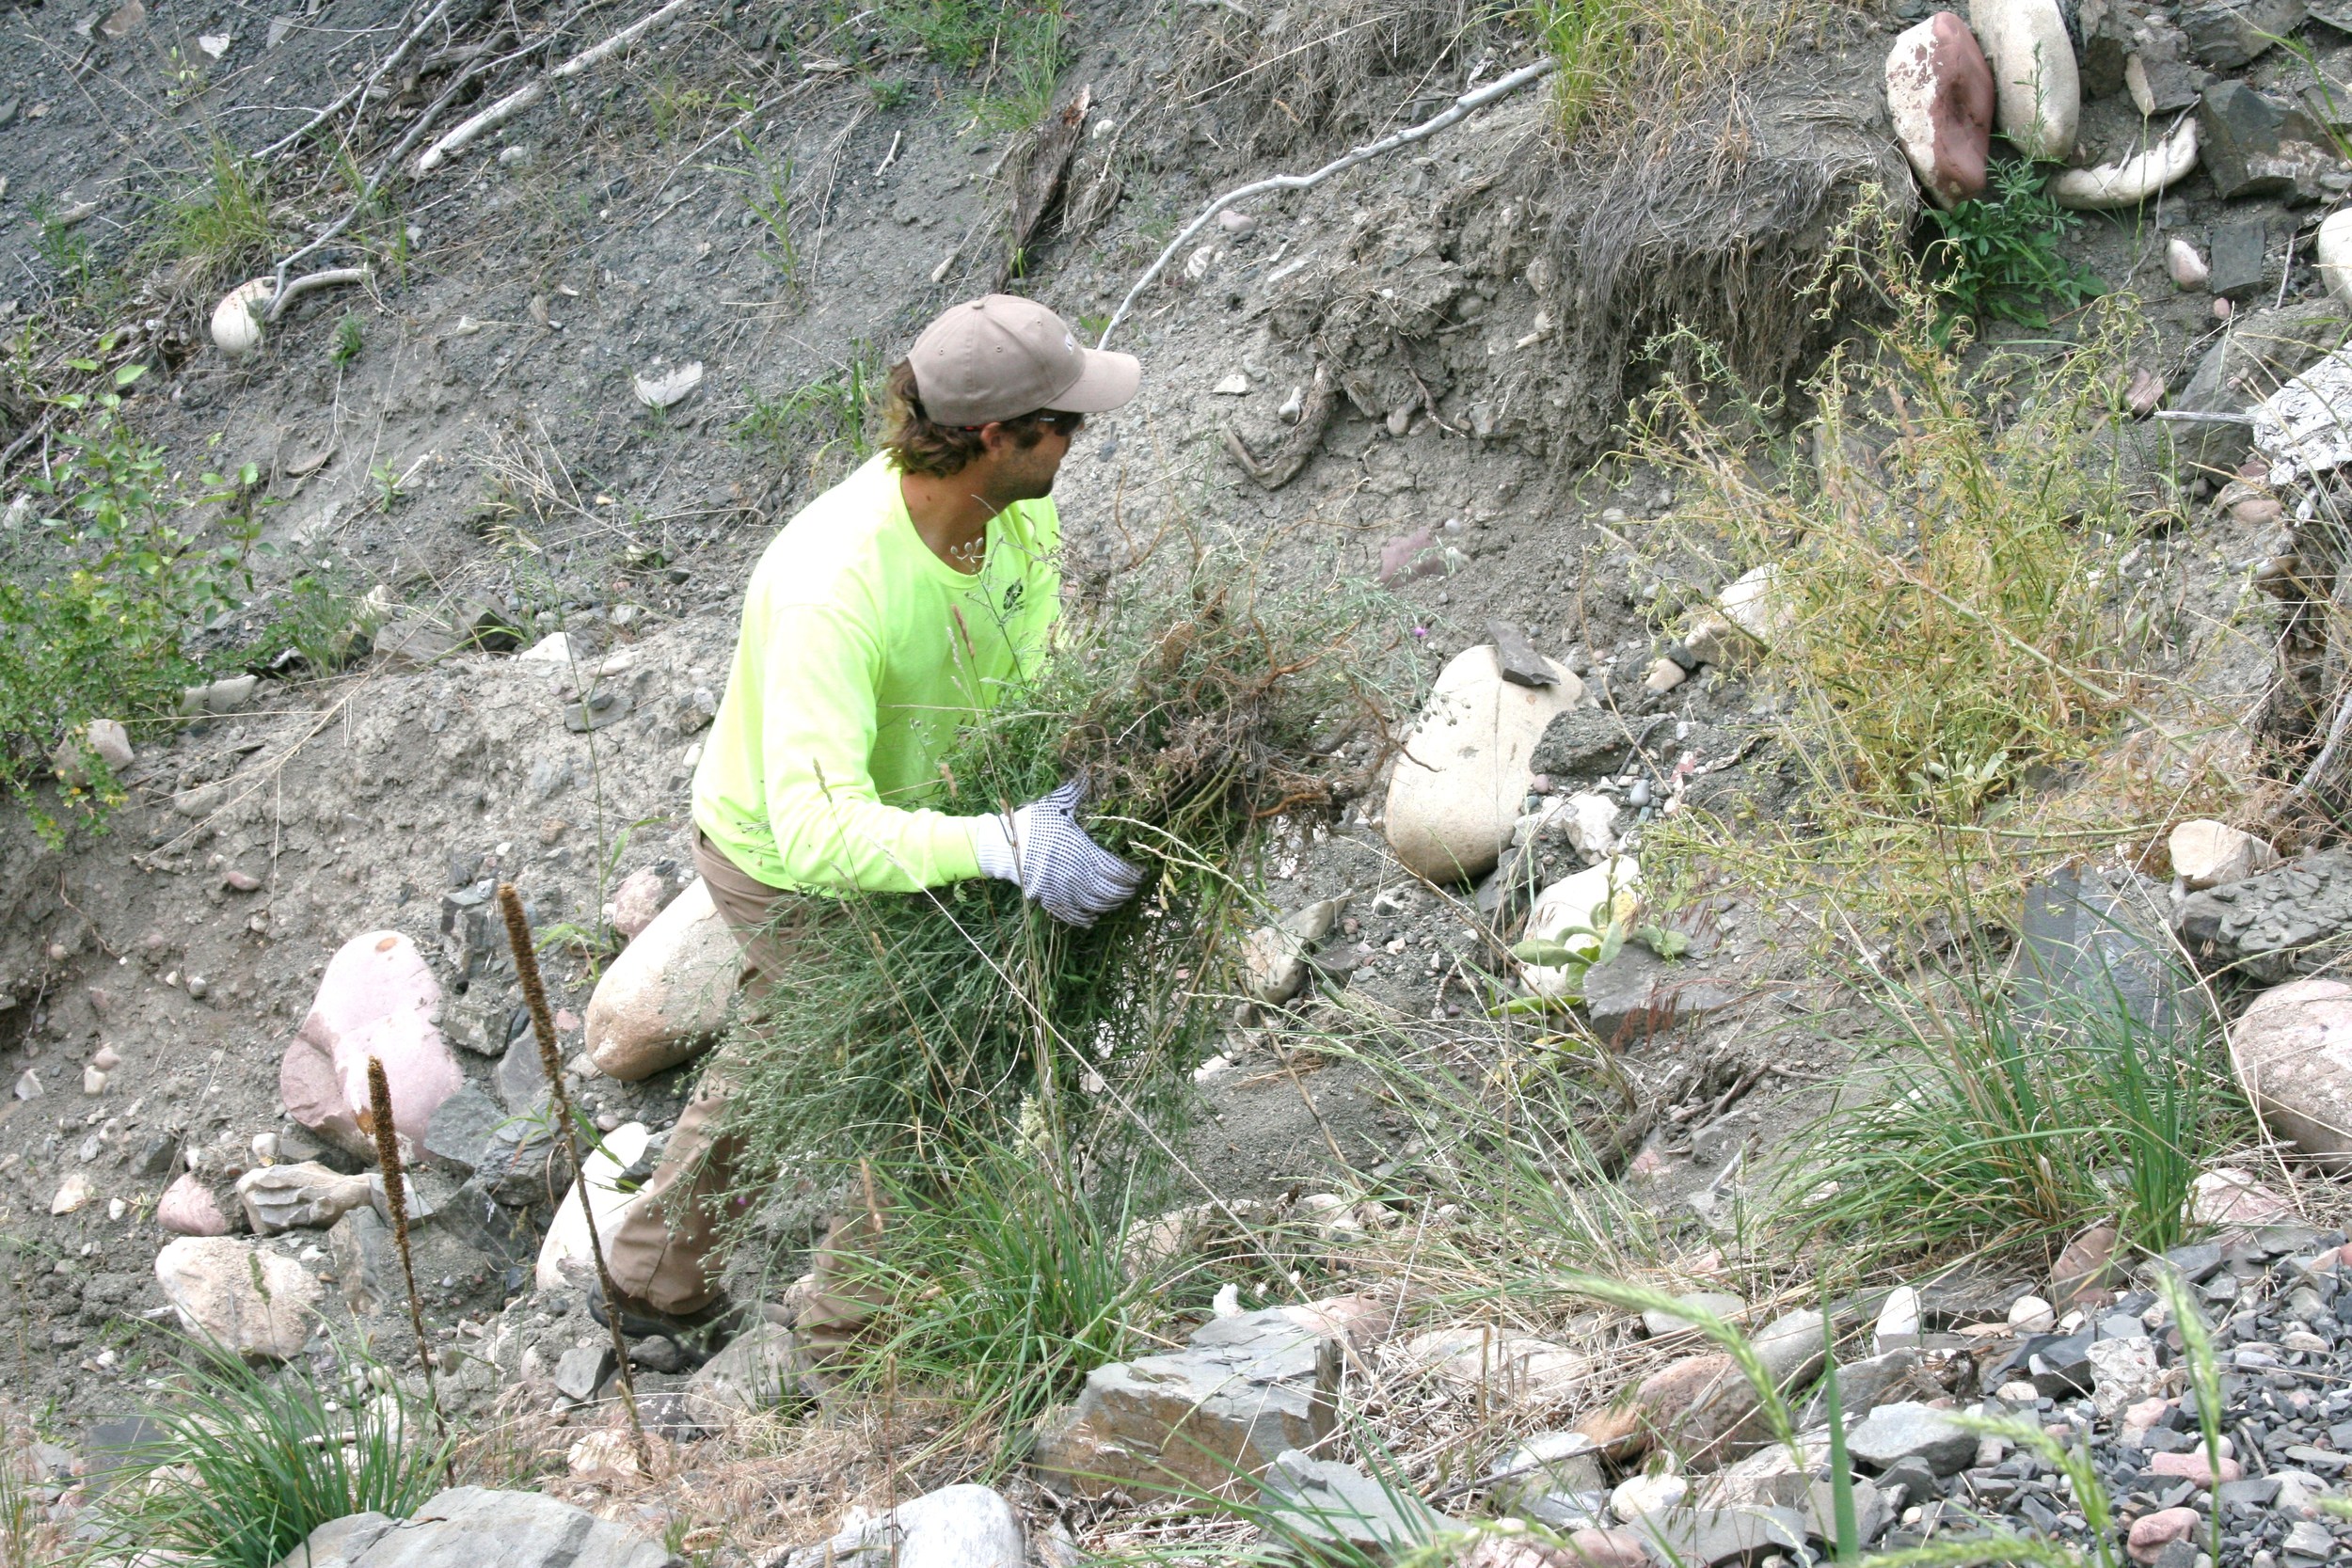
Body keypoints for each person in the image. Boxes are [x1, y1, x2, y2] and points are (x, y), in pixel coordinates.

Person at [599, 295, 1146, 1344]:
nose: (1080, 437)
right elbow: (815, 829)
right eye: (1062, 423)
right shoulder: (832, 583)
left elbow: (1041, 642)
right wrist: (999, 842)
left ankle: (649, 1280)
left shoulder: (1018, 510)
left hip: (919, 809)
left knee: (784, 1047)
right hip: (782, 857)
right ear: (992, 436)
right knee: (937, 1060)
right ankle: (856, 1340)